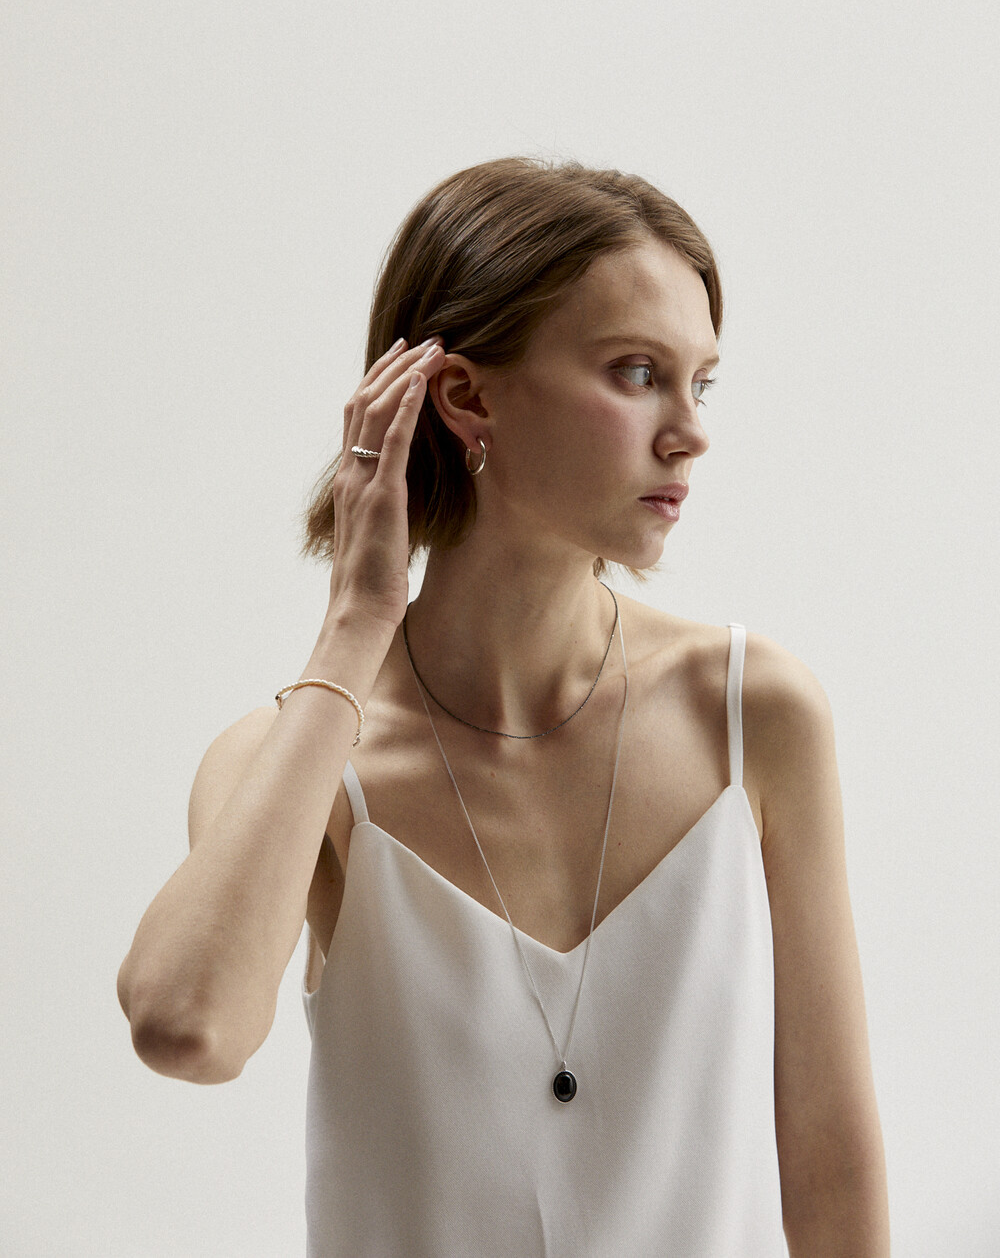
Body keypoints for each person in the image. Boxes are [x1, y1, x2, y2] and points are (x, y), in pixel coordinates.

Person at [117, 156, 890, 1256]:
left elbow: (829, 1164)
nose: (689, 430)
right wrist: (354, 628)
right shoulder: (297, 763)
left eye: (701, 382)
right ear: (467, 396)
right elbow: (188, 1029)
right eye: (636, 373)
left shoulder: (749, 714)